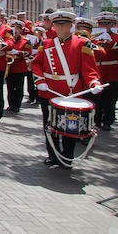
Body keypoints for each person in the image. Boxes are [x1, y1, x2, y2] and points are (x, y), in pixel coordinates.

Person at [31, 11, 102, 168]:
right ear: (53, 25)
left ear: (71, 25)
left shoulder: (82, 43)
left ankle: (68, 156)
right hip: (48, 90)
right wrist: (40, 80)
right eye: (57, 24)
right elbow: (36, 64)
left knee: (70, 125)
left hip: (71, 91)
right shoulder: (46, 43)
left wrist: (93, 83)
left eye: (64, 24)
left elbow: (89, 68)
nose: (60, 27)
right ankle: (53, 155)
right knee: (50, 124)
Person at [5, 19, 33, 112]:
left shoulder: (26, 41)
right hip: (9, 67)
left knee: (19, 87)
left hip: (19, 66)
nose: (15, 30)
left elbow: (29, 52)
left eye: (18, 29)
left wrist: (18, 52)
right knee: (10, 87)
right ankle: (11, 104)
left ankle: (17, 105)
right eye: (13, 28)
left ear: (21, 30)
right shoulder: (7, 39)